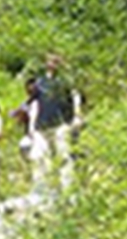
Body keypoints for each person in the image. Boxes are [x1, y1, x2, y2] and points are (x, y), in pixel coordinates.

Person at [27, 54, 84, 195]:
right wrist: (31, 125)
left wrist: (77, 115)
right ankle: (43, 191)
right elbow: (35, 103)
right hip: (41, 126)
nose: (53, 63)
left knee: (64, 156)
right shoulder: (39, 83)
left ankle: (68, 190)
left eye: (56, 61)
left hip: (61, 124)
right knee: (40, 158)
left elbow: (76, 97)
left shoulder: (66, 81)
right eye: (50, 60)